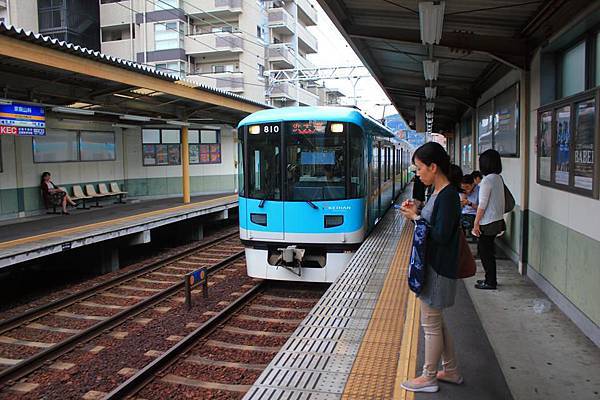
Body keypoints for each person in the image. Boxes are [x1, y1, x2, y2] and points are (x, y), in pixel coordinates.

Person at [399, 142, 463, 393]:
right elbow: (435, 225)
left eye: (419, 168)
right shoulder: (438, 193)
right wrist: (418, 211)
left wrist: (416, 219)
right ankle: (452, 370)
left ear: (433, 167)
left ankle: (428, 377)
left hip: (437, 268)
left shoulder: (447, 196)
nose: (417, 173)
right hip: (435, 266)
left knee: (431, 323)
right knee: (436, 321)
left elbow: (442, 235)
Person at [472, 150, 505, 290]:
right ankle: (489, 279)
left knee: (485, 252)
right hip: (497, 220)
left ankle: (490, 282)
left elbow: (482, 204)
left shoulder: (486, 180)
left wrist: (476, 222)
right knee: (488, 251)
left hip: (488, 222)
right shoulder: (498, 178)